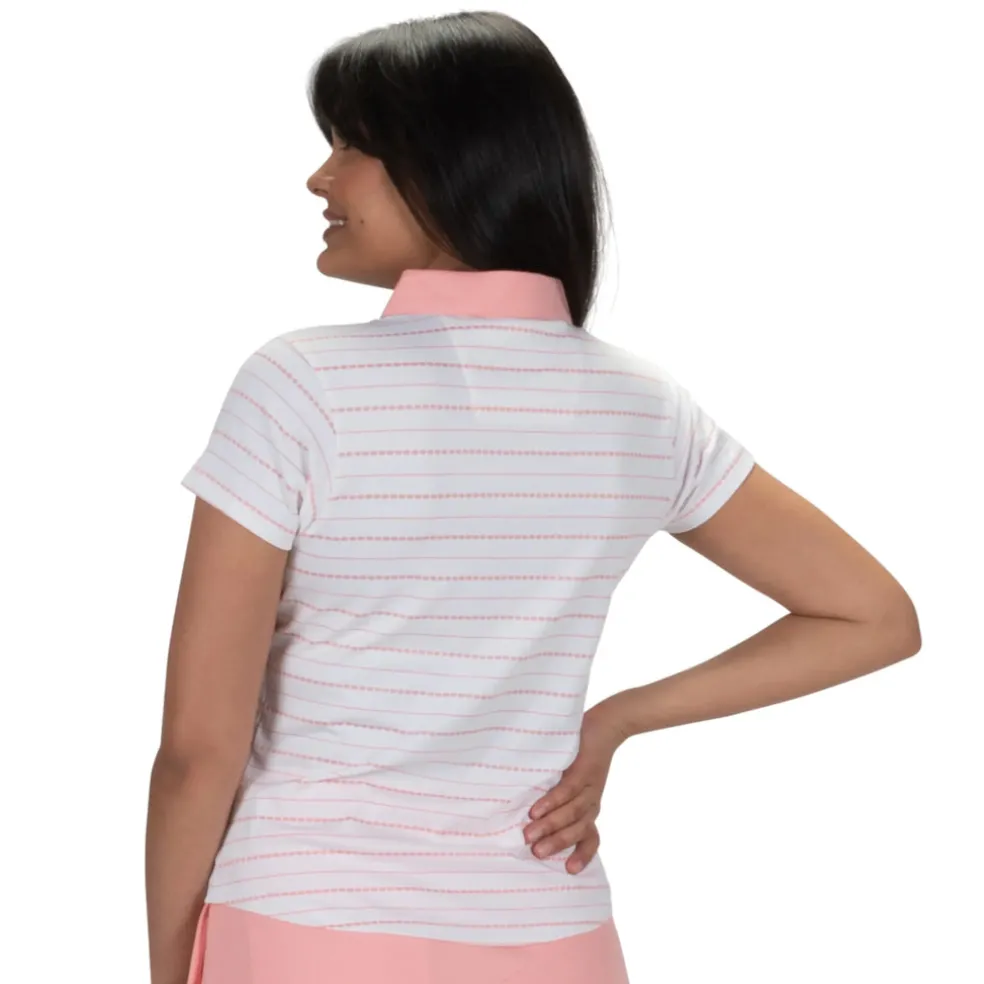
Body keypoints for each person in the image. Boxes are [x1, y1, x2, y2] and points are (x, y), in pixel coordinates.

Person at [145, 11, 922, 984]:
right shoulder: (641, 405)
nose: (320, 178)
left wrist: (169, 968)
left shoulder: (301, 386)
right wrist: (616, 719)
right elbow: (872, 615)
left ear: (453, 162)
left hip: (309, 923)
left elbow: (199, 750)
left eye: (352, 147)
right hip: (554, 935)